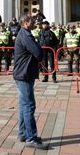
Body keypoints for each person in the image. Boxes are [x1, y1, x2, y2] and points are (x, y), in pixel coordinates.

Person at [13, 13, 47, 150]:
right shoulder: (26, 35)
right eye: (32, 21)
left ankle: (23, 133)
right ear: (26, 23)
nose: (35, 23)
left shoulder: (23, 33)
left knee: (23, 105)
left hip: (23, 74)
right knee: (29, 106)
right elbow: (38, 53)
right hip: (24, 74)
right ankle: (31, 138)